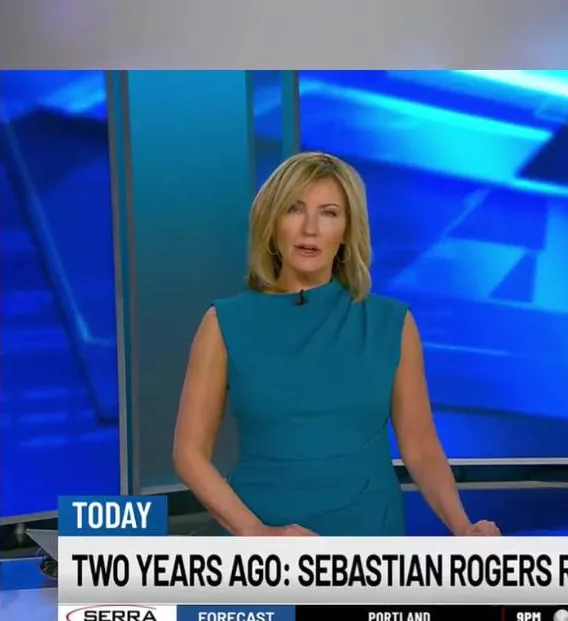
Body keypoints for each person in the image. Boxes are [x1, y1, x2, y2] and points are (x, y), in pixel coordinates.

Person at [172, 151, 500, 537]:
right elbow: (189, 453)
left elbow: (420, 447)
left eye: (328, 213)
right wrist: (258, 534)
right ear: (272, 222)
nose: (310, 229)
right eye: (294, 209)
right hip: (263, 546)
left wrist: (463, 527)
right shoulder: (224, 324)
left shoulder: (391, 324)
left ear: (346, 230)